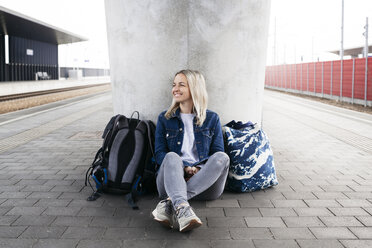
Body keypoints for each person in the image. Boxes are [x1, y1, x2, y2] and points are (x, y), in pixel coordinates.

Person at [152, 69, 230, 232]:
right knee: (171, 156)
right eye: (174, 85)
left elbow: (217, 153)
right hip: (171, 181)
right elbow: (160, 155)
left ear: (195, 88)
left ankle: (170, 203)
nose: (175, 89)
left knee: (222, 157)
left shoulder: (212, 118)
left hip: (205, 185)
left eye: (182, 85)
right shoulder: (164, 118)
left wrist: (199, 169)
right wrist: (185, 167)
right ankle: (182, 207)